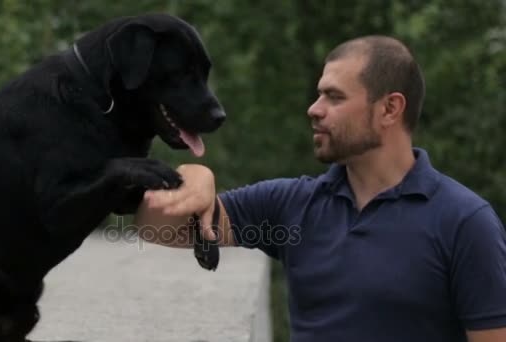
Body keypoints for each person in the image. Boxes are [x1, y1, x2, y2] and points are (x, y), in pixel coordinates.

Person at [134, 35, 506, 341]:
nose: (314, 108)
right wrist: (190, 178)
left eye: (335, 97)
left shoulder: (465, 223)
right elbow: (156, 227)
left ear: (390, 109)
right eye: (318, 94)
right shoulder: (291, 205)